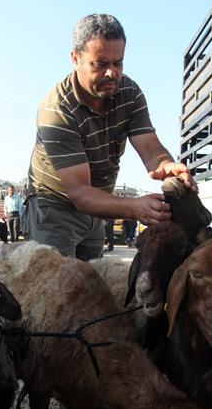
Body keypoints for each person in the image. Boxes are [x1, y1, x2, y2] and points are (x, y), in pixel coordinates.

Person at [25, 13, 197, 260]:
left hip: (97, 207)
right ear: (75, 59)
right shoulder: (57, 110)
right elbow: (80, 192)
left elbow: (150, 148)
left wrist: (167, 166)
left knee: (92, 287)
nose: (111, 73)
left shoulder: (129, 93)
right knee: (53, 290)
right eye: (100, 64)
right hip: (55, 208)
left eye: (118, 63)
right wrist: (132, 207)